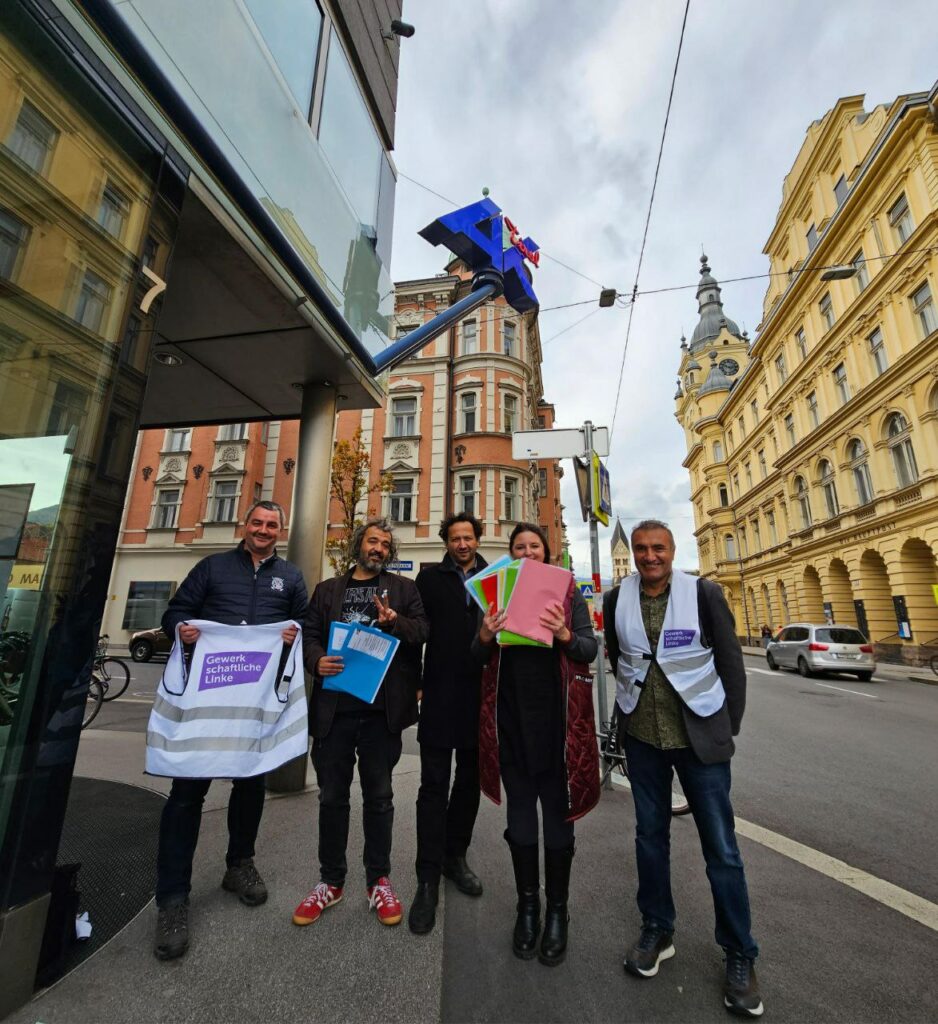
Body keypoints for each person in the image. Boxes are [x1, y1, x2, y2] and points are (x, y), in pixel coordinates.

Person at [602, 519, 763, 1018]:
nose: (649, 556)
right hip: (646, 742)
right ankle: (658, 928)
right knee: (649, 841)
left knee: (722, 851)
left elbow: (731, 663)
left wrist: (726, 726)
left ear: (673, 551)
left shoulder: (705, 592)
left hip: (699, 741)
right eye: (642, 549)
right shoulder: (614, 599)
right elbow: (618, 656)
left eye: (658, 548)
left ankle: (739, 954)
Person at [153, 500, 307, 961]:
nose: (263, 530)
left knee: (250, 785)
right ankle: (172, 900)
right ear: (246, 526)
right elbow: (175, 612)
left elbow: (304, 625)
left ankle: (239, 864)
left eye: (271, 525)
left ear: (281, 530)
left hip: (254, 705)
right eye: (257, 522)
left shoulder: (291, 577)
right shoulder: (212, 568)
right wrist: (182, 630)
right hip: (208, 700)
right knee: (187, 794)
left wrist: (293, 635)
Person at [473, 523, 599, 967]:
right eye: (519, 547)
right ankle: (528, 908)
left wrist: (565, 633)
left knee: (559, 825)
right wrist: (487, 632)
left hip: (558, 730)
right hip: (510, 726)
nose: (527, 552)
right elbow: (476, 655)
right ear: (511, 556)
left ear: (547, 553)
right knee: (522, 824)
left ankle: (558, 912)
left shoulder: (568, 593)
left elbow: (589, 650)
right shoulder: (495, 592)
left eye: (534, 546)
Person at [296, 518, 429, 928]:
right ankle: (331, 881)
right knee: (332, 797)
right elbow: (309, 634)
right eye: (373, 541)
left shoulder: (405, 590)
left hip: (380, 714)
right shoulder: (328, 590)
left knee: (380, 798)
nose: (379, 548)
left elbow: (422, 631)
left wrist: (394, 622)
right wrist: (315, 659)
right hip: (334, 711)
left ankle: (378, 880)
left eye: (385, 544)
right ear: (359, 544)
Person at [408, 513, 488, 934]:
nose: (462, 544)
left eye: (468, 537)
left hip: (479, 697)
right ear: (446, 542)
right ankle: (427, 875)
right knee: (433, 786)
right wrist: (417, 684)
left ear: (477, 539)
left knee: (469, 784)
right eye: (455, 538)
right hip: (439, 694)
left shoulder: (494, 579)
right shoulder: (430, 581)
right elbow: (419, 636)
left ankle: (456, 857)